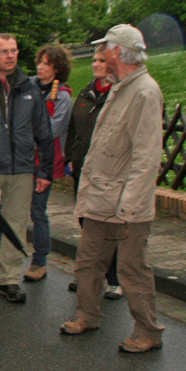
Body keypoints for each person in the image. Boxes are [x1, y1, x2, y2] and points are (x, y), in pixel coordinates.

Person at [60, 24, 166, 353]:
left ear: (117, 51)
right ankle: (87, 315)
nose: (101, 54)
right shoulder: (119, 88)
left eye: (104, 47)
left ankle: (148, 331)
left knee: (132, 269)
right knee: (88, 262)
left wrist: (130, 209)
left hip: (126, 206)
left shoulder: (145, 92)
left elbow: (147, 157)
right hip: (100, 200)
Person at [0, 33, 54, 303]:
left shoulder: (30, 89)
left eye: (13, 51)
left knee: (15, 226)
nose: (10, 56)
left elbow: (43, 132)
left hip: (22, 169)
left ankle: (9, 280)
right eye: (4, 51)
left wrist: (45, 171)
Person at [64, 45, 122, 300]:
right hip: (83, 169)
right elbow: (74, 128)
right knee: (86, 223)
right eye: (95, 60)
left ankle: (114, 279)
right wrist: (70, 157)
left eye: (101, 60)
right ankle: (88, 275)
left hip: (109, 172)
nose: (96, 64)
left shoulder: (120, 94)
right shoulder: (87, 93)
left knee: (108, 225)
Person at [27, 45, 72, 281]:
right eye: (40, 62)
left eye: (46, 63)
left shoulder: (62, 96)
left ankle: (40, 261)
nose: (41, 67)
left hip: (46, 162)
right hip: (24, 158)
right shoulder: (29, 87)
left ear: (57, 68)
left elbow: (53, 128)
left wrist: (26, 128)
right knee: (6, 208)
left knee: (37, 211)